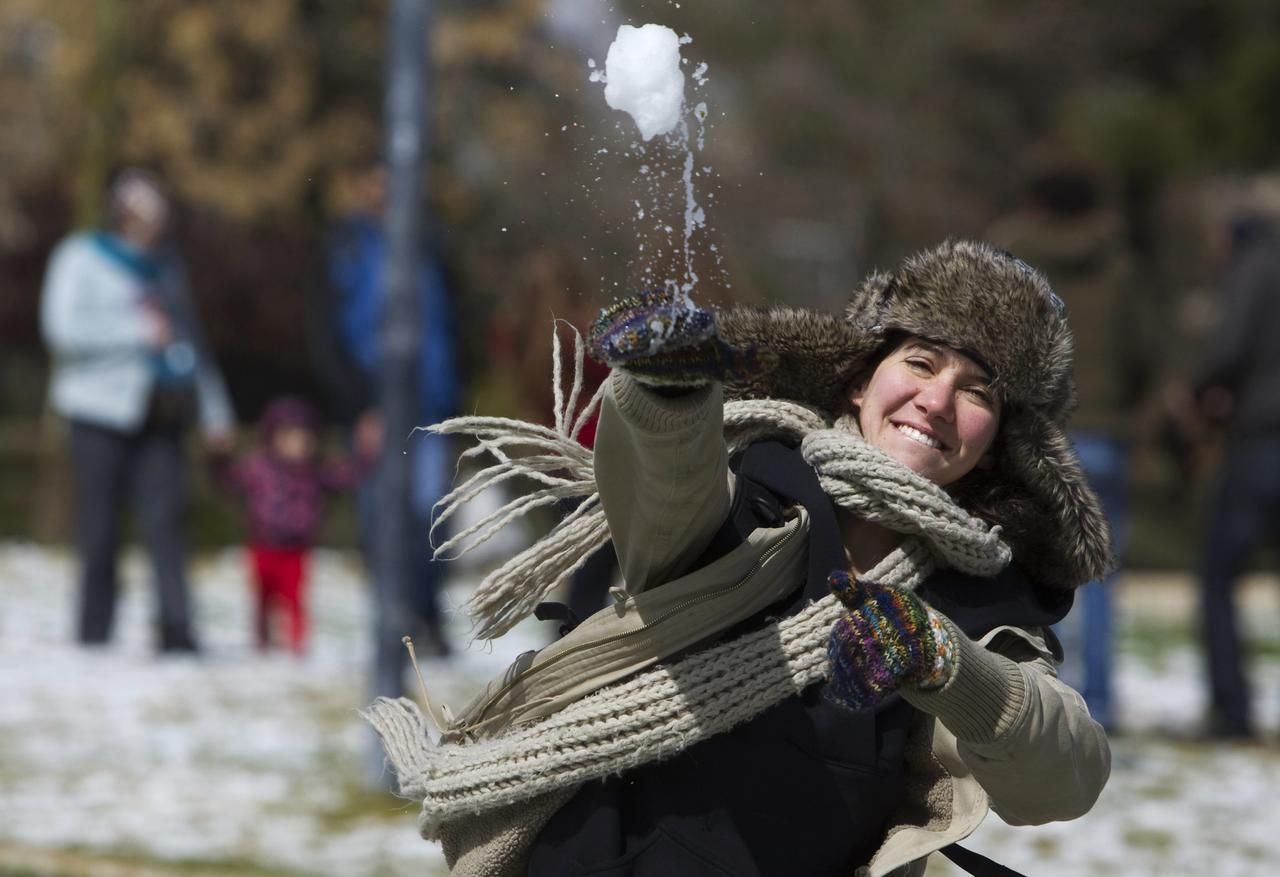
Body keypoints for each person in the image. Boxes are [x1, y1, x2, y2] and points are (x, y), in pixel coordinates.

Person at [368, 240, 1112, 876]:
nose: (937, 399)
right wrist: (669, 397)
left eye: (976, 390)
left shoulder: (984, 593)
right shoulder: (755, 485)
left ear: (996, 443)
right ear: (860, 380)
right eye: (920, 362)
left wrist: (948, 664)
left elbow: (1065, 777)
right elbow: (666, 494)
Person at [985, 156, 1158, 732]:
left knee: (1018, 565)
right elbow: (1145, 354)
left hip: (1028, 429)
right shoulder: (1121, 264)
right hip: (1104, 432)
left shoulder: (1009, 254)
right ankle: (1098, 705)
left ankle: (1028, 699)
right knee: (1100, 578)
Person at [40, 168, 235, 653]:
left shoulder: (167, 269)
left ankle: (177, 633)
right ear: (122, 213)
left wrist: (216, 412)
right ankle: (93, 637)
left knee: (168, 522)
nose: (153, 223)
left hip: (162, 413)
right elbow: (62, 331)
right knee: (101, 528)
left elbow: (191, 341)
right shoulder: (79, 258)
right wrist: (135, 333)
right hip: (97, 413)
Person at [319, 162, 461, 682]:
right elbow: (331, 336)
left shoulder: (430, 245)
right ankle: (390, 623)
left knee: (431, 517)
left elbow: (448, 327)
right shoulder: (347, 249)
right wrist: (359, 407)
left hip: (430, 405)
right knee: (382, 520)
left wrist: (453, 400)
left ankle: (427, 616)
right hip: (376, 407)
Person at [1186, 212, 1280, 740]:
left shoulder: (1254, 269)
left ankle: (1232, 711)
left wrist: (1202, 393)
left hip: (1264, 441)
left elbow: (1231, 348)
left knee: (1218, 578)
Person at [209, 395, 369, 655]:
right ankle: (261, 644)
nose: (299, 445)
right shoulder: (257, 468)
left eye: (305, 438)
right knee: (262, 599)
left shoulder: (315, 471)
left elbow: (345, 476)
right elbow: (228, 481)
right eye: (291, 437)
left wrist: (365, 454)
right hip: (262, 546)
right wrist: (218, 458)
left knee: (294, 600)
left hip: (296, 550)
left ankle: (297, 646)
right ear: (273, 437)